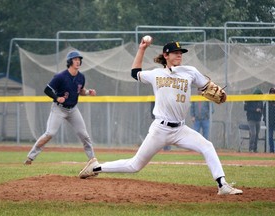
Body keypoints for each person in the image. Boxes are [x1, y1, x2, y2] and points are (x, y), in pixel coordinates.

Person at [79, 39, 243, 195]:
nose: (179, 55)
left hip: (181, 129)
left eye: (181, 52)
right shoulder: (156, 74)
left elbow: (206, 87)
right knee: (135, 165)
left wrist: (216, 92)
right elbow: (135, 73)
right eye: (175, 52)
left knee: (207, 146)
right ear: (166, 55)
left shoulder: (190, 71)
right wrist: (142, 49)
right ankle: (96, 168)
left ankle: (222, 185)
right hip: (160, 129)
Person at [24, 50, 97, 165]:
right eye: (75, 59)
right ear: (70, 61)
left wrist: (88, 92)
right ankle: (30, 158)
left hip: (73, 110)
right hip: (59, 109)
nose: (78, 61)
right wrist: (57, 98)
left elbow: (80, 90)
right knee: (50, 133)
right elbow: (47, 89)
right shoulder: (60, 77)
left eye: (79, 60)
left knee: (84, 135)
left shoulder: (81, 77)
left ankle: (92, 160)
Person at [243, 88, 264, 153]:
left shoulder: (260, 101)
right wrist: (255, 109)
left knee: (257, 134)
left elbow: (262, 108)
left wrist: (260, 112)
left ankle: (255, 149)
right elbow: (246, 108)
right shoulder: (250, 99)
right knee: (253, 133)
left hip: (258, 119)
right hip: (251, 119)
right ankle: (251, 148)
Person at [263, 87, 275, 153]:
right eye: (271, 92)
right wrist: (265, 120)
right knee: (270, 137)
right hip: (269, 123)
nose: (272, 94)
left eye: (273, 92)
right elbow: (264, 112)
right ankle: (272, 150)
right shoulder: (267, 102)